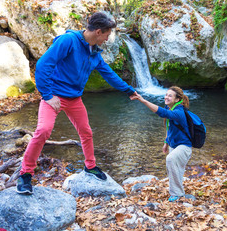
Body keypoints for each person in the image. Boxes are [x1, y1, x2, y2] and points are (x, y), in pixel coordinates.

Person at [16, 12, 138, 195]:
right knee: (43, 130)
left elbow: (109, 75)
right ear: (98, 32)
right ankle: (25, 174)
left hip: (74, 99)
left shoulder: (94, 53)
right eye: (106, 35)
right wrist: (48, 95)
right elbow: (42, 65)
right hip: (54, 96)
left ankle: (90, 166)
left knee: (86, 132)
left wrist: (128, 90)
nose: (107, 39)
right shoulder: (68, 41)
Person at [132, 86, 192, 202]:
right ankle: (179, 193)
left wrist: (143, 100)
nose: (166, 97)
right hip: (174, 145)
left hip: (184, 146)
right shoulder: (170, 108)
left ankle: (177, 194)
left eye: (170, 95)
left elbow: (161, 113)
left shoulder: (178, 111)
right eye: (166, 94)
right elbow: (169, 127)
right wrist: (166, 142)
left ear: (177, 99)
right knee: (176, 170)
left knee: (170, 160)